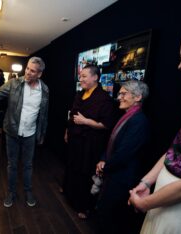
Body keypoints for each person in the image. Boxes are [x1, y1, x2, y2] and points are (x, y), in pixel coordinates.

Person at [128, 22, 181, 234]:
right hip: (164, 202)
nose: (179, 65)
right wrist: (147, 180)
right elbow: (174, 149)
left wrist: (145, 203)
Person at [0, 57, 49, 208]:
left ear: (39, 74)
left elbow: (44, 115)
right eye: (27, 69)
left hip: (30, 135)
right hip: (12, 132)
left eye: (32, 71)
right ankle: (11, 192)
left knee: (28, 165)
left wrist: (41, 134)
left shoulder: (44, 90)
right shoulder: (14, 83)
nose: (28, 72)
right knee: (12, 165)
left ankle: (28, 191)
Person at [62, 64, 118, 219]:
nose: (81, 79)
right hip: (75, 141)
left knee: (84, 174)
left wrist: (86, 122)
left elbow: (105, 125)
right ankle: (69, 195)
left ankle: (82, 206)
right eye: (80, 76)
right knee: (72, 168)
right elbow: (72, 115)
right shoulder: (80, 94)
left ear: (95, 77)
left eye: (84, 76)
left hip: (89, 145)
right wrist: (67, 131)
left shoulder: (104, 99)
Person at [95, 80, 150, 234]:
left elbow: (124, 154)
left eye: (123, 93)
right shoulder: (127, 116)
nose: (119, 97)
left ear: (138, 97)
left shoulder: (139, 121)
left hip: (122, 179)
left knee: (111, 218)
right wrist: (103, 158)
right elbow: (111, 141)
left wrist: (105, 165)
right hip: (113, 173)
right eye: (119, 93)